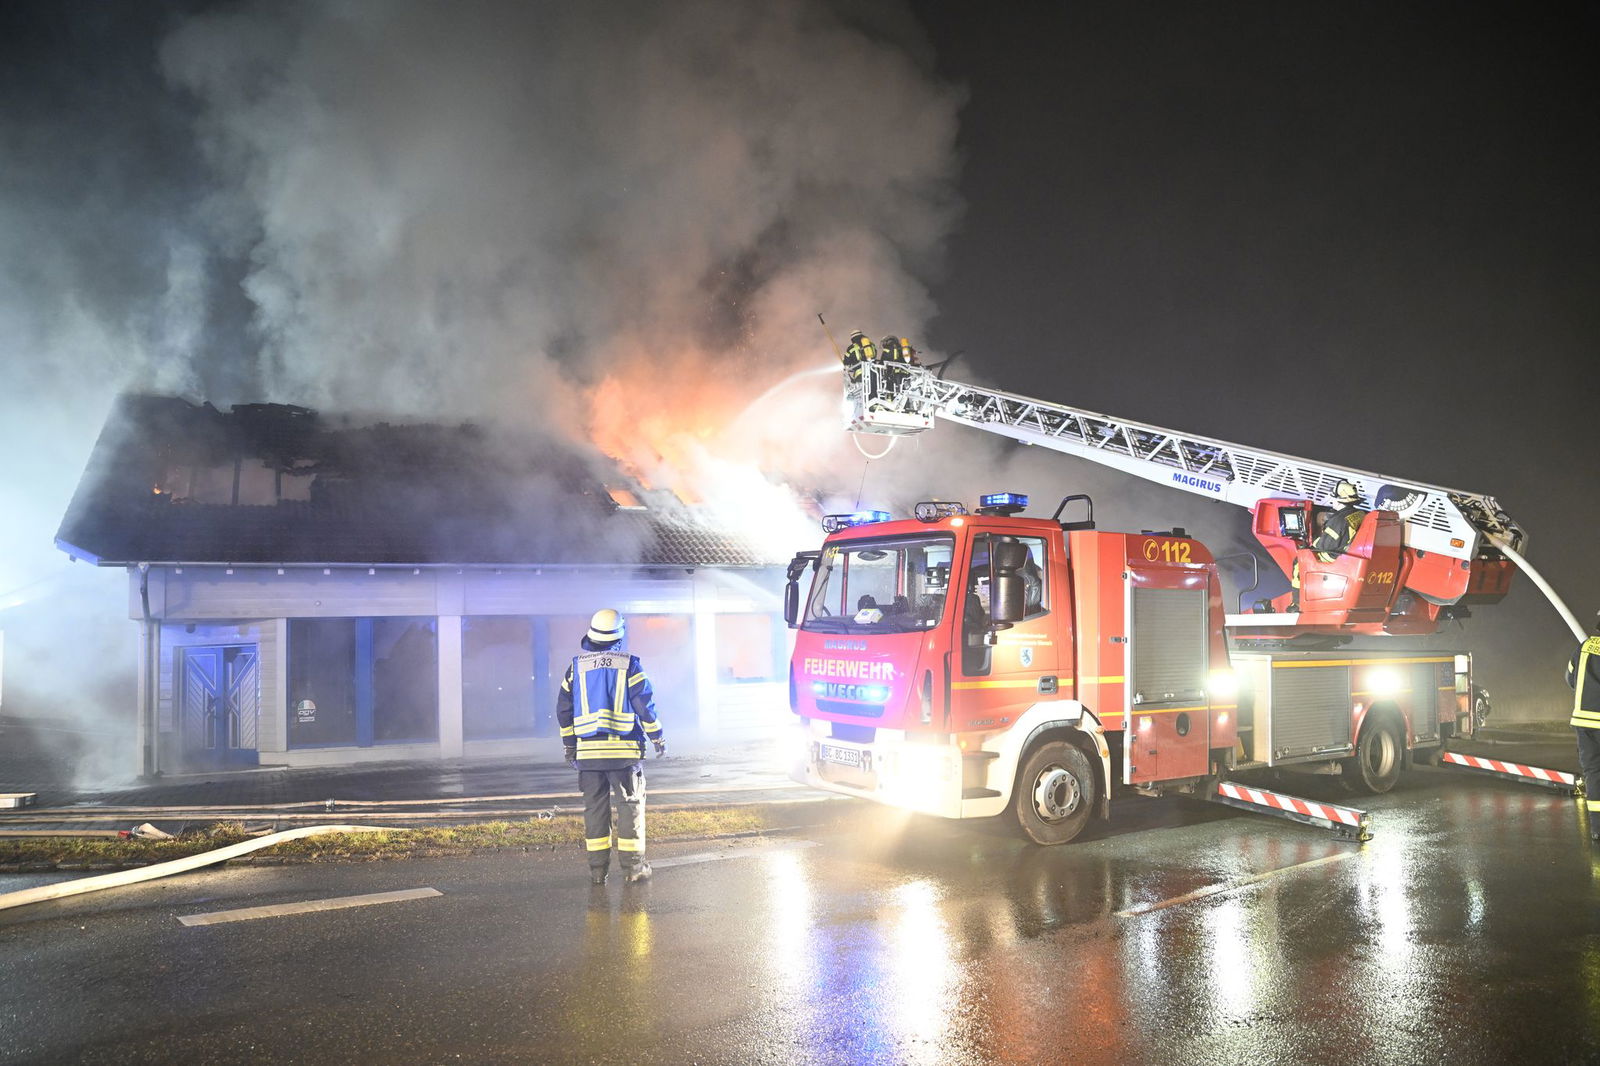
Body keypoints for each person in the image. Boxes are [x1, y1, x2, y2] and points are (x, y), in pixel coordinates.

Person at [557, 608, 666, 884]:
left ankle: (597, 871)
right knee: (629, 807)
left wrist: (570, 746)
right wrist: (657, 737)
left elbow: (564, 711)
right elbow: (644, 706)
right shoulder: (629, 664)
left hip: (588, 756)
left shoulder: (576, 667)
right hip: (624, 755)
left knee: (594, 809)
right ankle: (633, 869)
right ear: (619, 637)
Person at [1567, 611, 1600, 840]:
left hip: (1584, 723)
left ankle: (1598, 829)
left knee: (1594, 774)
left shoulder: (1585, 647)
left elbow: (1570, 678)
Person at [1313, 479, 1368, 560]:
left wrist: (1313, 542)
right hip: (1349, 555)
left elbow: (1325, 546)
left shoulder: (1338, 521)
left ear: (1338, 500)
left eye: (1333, 497)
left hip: (1333, 559)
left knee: (1300, 559)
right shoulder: (1360, 513)